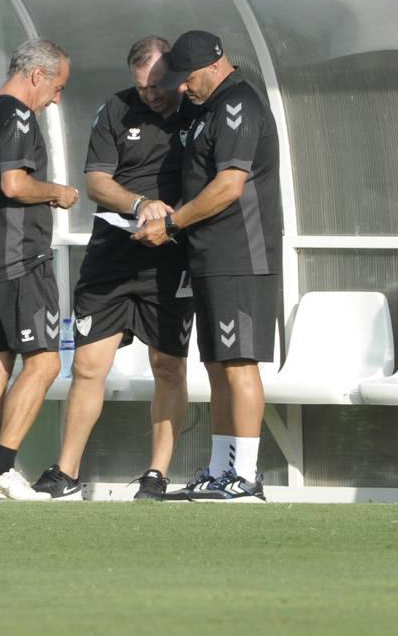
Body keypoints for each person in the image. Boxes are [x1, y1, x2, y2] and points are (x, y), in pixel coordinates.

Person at [31, 37, 198, 502]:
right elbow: (97, 182)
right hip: (112, 257)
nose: (152, 95)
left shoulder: (195, 111)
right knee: (87, 364)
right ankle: (65, 473)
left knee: (168, 366)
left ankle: (156, 476)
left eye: (158, 85)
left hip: (171, 260)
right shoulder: (114, 110)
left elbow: (214, 183)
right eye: (142, 87)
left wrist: (172, 219)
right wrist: (142, 204)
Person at [134, 30, 282, 501]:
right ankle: (221, 470)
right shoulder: (208, 109)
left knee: (239, 364)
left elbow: (228, 187)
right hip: (211, 256)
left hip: (241, 254)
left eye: (186, 78)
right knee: (218, 365)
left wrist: (173, 224)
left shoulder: (239, 104)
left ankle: (249, 475)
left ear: (214, 67)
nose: (181, 87)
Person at [0, 39, 78, 501]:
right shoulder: (19, 116)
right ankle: (2, 470)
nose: (56, 98)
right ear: (36, 76)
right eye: (58, 87)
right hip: (20, 257)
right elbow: (13, 183)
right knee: (45, 362)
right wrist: (56, 192)